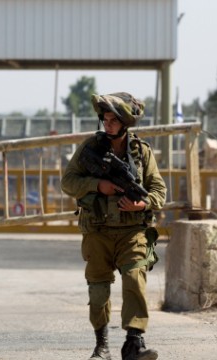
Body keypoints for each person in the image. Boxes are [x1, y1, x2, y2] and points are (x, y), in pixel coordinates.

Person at [62, 92, 166, 360]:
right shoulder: (90, 149)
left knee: (134, 279)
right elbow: (68, 182)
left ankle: (134, 342)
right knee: (98, 289)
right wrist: (98, 186)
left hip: (133, 232)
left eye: (113, 120)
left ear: (125, 123)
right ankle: (102, 345)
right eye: (105, 119)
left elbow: (158, 190)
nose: (107, 124)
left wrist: (142, 205)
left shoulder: (141, 153)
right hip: (98, 231)